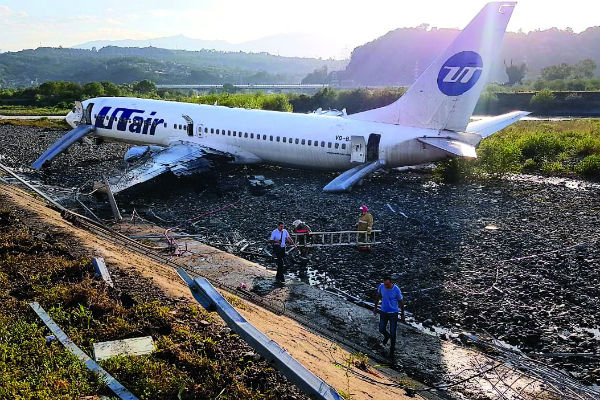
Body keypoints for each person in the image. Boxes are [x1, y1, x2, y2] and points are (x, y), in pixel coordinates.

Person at [373, 275, 405, 357]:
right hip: (383, 312)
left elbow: (401, 301)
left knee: (393, 332)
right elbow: (378, 296)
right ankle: (386, 336)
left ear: (391, 283)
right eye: (384, 284)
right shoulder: (381, 286)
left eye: (387, 284)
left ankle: (392, 349)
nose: (386, 286)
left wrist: (402, 314)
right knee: (381, 328)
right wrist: (375, 307)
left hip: (393, 313)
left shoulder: (396, 290)